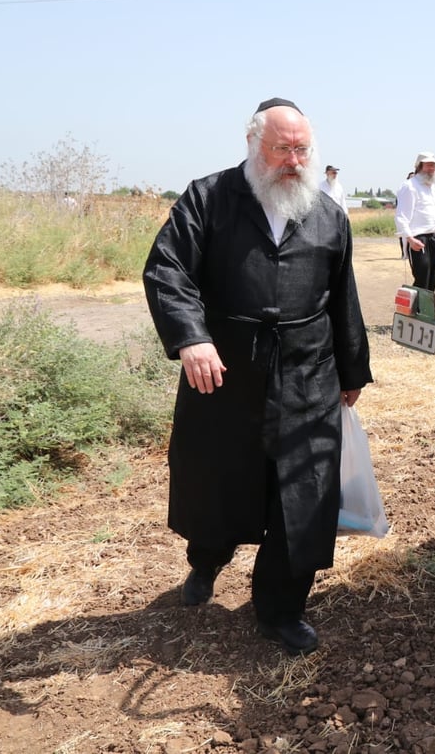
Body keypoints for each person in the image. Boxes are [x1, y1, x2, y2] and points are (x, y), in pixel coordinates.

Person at [142, 97, 373, 657]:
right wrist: (191, 337)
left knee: (306, 494)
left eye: (302, 150)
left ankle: (281, 608)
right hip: (226, 374)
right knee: (218, 481)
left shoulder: (326, 213)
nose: (293, 160)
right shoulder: (208, 198)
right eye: (282, 148)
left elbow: (343, 297)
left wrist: (352, 370)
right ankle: (205, 562)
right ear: (253, 144)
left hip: (308, 373)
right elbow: (168, 270)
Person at [395, 152, 435, 292]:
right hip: (418, 238)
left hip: (434, 238)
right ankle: (415, 312)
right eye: (428, 165)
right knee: (422, 278)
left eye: (434, 166)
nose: (432, 168)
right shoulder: (409, 186)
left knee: (432, 280)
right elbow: (401, 216)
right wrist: (410, 239)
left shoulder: (432, 188)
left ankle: (427, 312)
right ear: (419, 166)